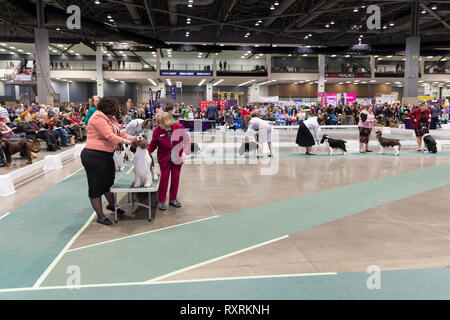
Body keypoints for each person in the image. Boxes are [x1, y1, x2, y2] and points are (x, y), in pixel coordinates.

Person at [80, 97, 137, 225]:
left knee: (108, 183)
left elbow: (120, 133)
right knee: (96, 187)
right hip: (93, 156)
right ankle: (100, 217)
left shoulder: (110, 118)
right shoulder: (97, 118)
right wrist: (129, 142)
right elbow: (110, 136)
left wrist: (135, 138)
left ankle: (112, 205)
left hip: (106, 155)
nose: (116, 111)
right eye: (115, 109)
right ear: (109, 108)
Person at [147, 112, 191, 211]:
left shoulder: (178, 127)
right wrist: (143, 152)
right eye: (158, 123)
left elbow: (187, 141)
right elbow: (152, 145)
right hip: (164, 159)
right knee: (164, 179)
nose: (159, 125)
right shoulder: (157, 130)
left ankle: (173, 199)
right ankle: (161, 200)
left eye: (161, 123)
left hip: (177, 158)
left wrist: (184, 153)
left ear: (168, 122)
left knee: (175, 178)